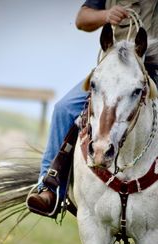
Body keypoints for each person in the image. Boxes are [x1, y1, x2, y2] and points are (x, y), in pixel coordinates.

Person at [27, 0, 158, 218]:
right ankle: (49, 186)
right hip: (113, 70)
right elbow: (81, 19)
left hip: (154, 67)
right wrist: (106, 15)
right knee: (64, 109)